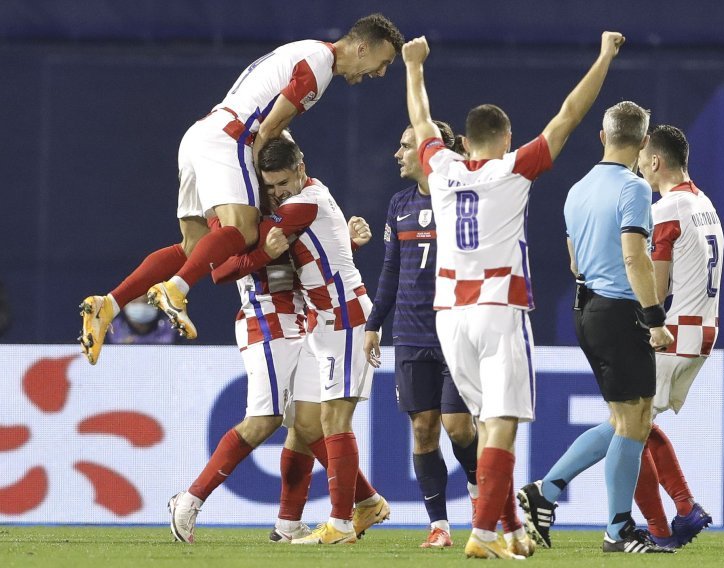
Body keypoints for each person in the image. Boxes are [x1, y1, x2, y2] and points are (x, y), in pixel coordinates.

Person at [403, 31, 625, 559]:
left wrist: (414, 68)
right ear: (504, 139)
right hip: (499, 310)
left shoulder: (442, 168)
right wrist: (604, 57)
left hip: (449, 316)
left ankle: (512, 533)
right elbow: (569, 114)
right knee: (502, 424)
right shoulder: (513, 168)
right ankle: (482, 534)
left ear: (466, 141)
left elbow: (421, 122)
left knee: (485, 427)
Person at [79, 14, 404, 365]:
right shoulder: (320, 65)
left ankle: (110, 303)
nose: (381, 73)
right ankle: (176, 290)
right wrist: (264, 199)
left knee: (194, 248)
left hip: (201, 135)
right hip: (231, 138)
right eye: (382, 63)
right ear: (361, 48)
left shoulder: (309, 52)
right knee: (244, 229)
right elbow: (267, 131)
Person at [168, 178, 378, 545]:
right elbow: (218, 270)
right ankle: (189, 500)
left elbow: (307, 266)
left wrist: (347, 244)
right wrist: (263, 253)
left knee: (307, 424)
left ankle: (290, 523)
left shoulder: (290, 207)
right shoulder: (237, 214)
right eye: (269, 182)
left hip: (302, 320)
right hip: (264, 322)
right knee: (266, 419)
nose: (275, 189)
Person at [211, 136, 388, 545]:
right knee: (307, 423)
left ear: (301, 168)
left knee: (332, 422)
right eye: (269, 187)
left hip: (344, 320)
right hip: (321, 324)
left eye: (283, 182)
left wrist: (225, 235)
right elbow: (322, 255)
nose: (277, 193)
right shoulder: (305, 202)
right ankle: (359, 506)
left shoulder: (303, 203)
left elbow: (227, 267)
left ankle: (341, 525)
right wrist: (348, 239)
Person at [516, 101, 675, 554]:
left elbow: (573, 261)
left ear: (602, 137)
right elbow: (634, 256)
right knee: (632, 422)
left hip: (587, 311)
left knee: (629, 419)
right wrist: (654, 319)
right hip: (621, 311)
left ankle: (544, 492)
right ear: (644, 142)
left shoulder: (577, 190)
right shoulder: (635, 189)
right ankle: (617, 530)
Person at [363, 121, 479, 549]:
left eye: (406, 145)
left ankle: (478, 488)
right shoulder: (399, 204)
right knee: (424, 430)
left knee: (459, 426)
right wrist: (374, 324)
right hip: (410, 335)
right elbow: (391, 270)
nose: (398, 153)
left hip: (456, 330)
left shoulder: (465, 199)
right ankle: (440, 527)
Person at [632, 124, 721, 548]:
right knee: (640, 425)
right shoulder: (704, 203)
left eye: (643, 158)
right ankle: (685, 510)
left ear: (656, 161)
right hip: (703, 332)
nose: (639, 167)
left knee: (625, 431)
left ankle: (660, 529)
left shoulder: (665, 209)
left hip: (676, 334)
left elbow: (658, 284)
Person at [105, 295, 182, 345]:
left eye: (146, 302)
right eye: (135, 302)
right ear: (124, 305)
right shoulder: (113, 329)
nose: (141, 307)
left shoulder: (171, 328)